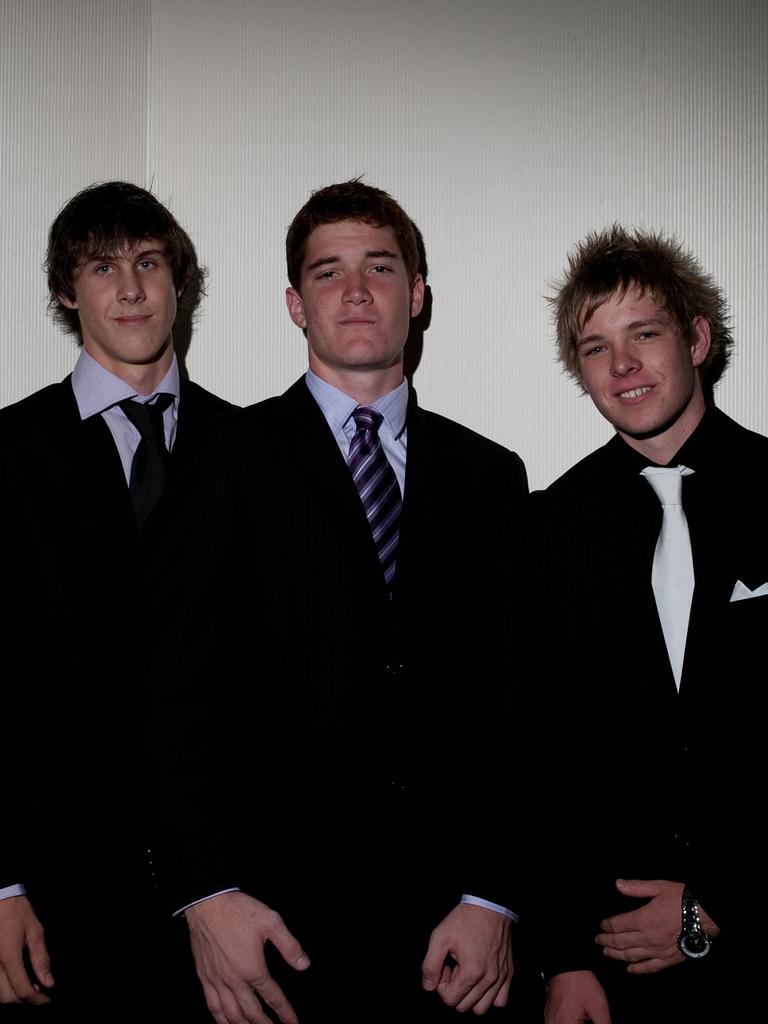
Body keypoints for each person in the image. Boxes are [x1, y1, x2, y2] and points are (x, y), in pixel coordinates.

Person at [143, 180, 536, 1023]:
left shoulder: (490, 478)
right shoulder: (221, 463)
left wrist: (495, 898)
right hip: (269, 939)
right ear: (295, 303)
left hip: (453, 944)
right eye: (328, 273)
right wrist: (205, 897)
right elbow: (170, 697)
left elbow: (513, 706)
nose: (356, 292)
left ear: (419, 294)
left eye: (381, 268)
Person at [0, 181, 235, 1019]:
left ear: (180, 281)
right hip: (57, 891)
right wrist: (1, 883)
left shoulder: (251, 450)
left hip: (228, 890)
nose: (131, 287)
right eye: (103, 267)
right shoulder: (8, 453)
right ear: (68, 290)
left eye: (148, 262)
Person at [529, 225, 763, 1022]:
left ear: (695, 338)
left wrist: (718, 902)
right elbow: (532, 750)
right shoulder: (547, 527)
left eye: (644, 334)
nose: (622, 366)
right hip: (606, 967)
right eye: (596, 349)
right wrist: (560, 956)